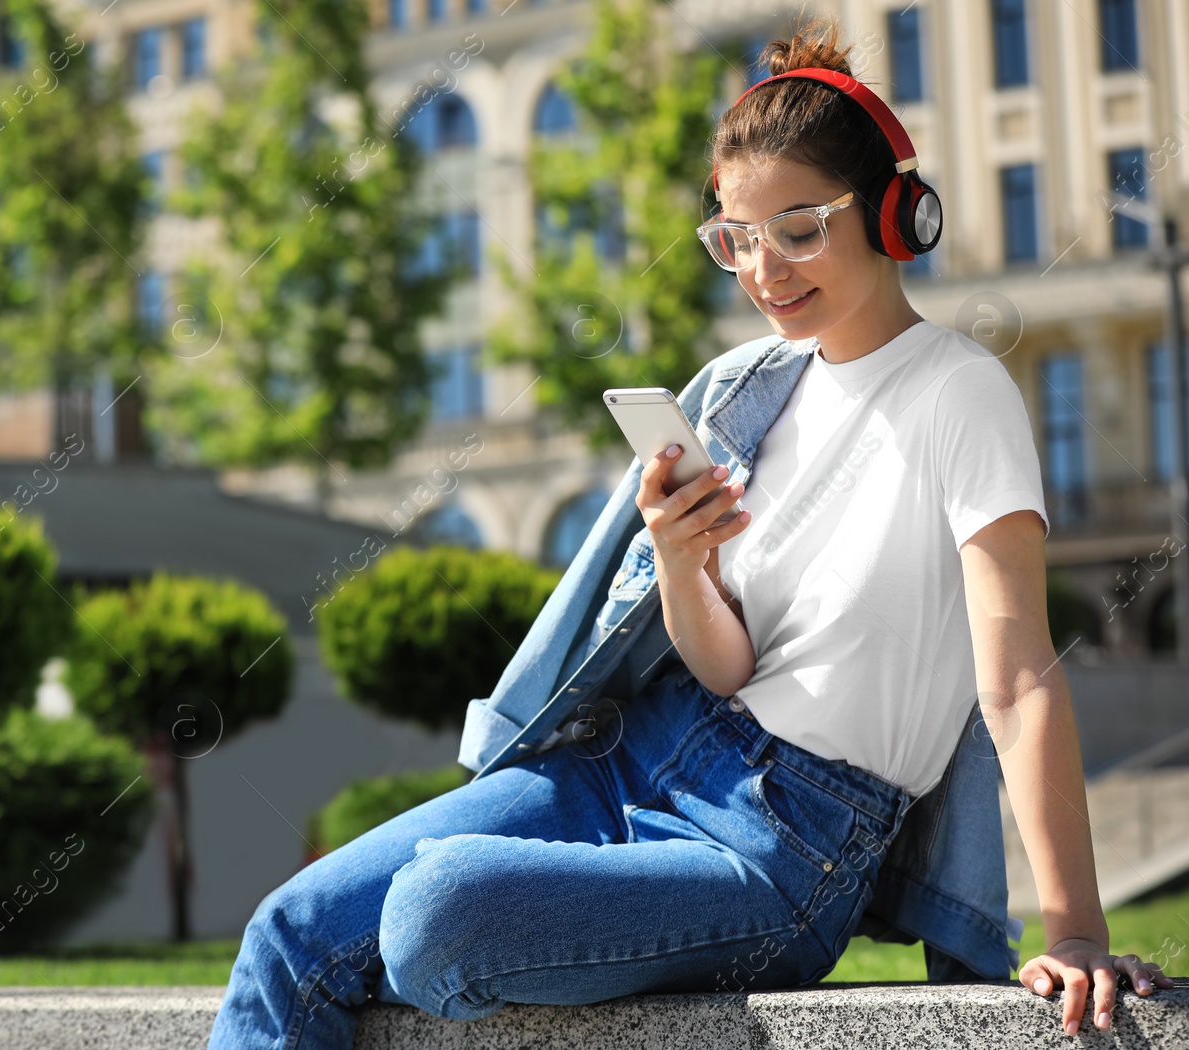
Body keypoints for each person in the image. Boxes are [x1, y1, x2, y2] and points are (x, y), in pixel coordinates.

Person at [205, 17, 1172, 1049]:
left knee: (433, 915)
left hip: (784, 846)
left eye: (797, 230)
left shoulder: (957, 390)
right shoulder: (750, 393)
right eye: (736, 240)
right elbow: (722, 667)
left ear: (894, 213)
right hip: (637, 759)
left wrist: (1073, 928)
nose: (764, 271)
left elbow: (1018, 674)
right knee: (288, 933)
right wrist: (679, 558)